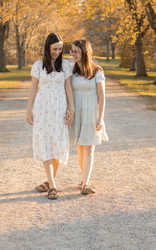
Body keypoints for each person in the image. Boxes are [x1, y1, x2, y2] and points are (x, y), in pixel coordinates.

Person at [26, 33, 74, 199]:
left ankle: (48, 180)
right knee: (45, 142)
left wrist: (71, 108)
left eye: (60, 49)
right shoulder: (38, 65)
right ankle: (52, 185)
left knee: (57, 143)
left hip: (60, 108)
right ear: (47, 48)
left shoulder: (65, 65)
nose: (58, 52)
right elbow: (33, 88)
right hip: (43, 108)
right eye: (55, 49)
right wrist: (29, 108)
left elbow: (68, 87)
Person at [68, 38, 108, 195]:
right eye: (72, 51)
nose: (73, 54)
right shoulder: (71, 70)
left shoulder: (97, 71)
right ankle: (85, 177)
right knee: (79, 147)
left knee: (89, 147)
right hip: (77, 112)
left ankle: (86, 183)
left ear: (84, 52)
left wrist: (100, 118)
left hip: (91, 113)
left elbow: (102, 97)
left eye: (76, 51)